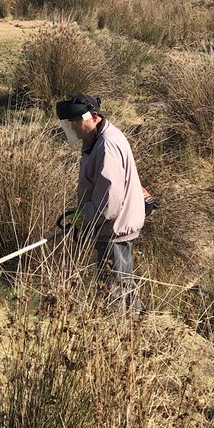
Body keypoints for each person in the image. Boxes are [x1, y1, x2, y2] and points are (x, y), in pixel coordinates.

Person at [55, 92, 145, 312]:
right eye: (71, 123)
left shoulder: (107, 147)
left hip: (114, 230)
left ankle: (121, 331)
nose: (74, 128)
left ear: (94, 116)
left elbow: (108, 204)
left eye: (77, 122)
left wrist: (82, 217)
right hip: (112, 228)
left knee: (114, 291)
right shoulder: (97, 139)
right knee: (122, 284)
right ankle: (137, 324)